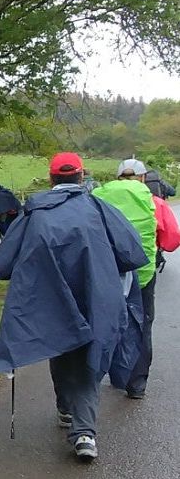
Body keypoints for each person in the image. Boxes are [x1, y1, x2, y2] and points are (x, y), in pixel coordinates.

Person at [0, 152, 147, 461]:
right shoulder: (99, 209)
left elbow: (1, 265)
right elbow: (132, 253)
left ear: (51, 180)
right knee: (92, 354)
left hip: (51, 300)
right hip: (96, 297)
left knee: (61, 345)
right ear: (81, 176)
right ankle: (84, 432)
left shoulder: (33, 213)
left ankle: (67, 411)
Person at [93, 159, 158, 399]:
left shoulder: (99, 197)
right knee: (142, 325)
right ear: (142, 178)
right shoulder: (154, 201)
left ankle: (101, 376)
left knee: (106, 323)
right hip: (142, 274)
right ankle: (136, 385)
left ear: (117, 176)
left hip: (108, 274)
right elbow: (172, 238)